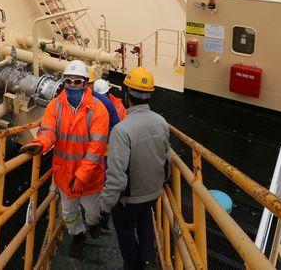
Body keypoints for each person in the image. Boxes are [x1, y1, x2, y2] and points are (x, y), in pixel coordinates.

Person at [21, 59, 110, 258]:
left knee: (92, 210)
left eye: (77, 81)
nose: (71, 86)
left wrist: (82, 176)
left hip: (89, 177)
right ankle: (78, 234)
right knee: (69, 213)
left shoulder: (98, 110)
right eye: (68, 81)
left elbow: (96, 148)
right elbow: (49, 130)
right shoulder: (55, 106)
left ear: (86, 84)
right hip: (63, 174)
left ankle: (94, 223)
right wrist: (40, 143)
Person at [99, 66, 170, 270]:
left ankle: (133, 265)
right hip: (153, 191)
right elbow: (167, 159)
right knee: (145, 218)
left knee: (125, 229)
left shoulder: (122, 130)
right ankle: (148, 259)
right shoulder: (161, 122)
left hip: (129, 198)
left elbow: (116, 177)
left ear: (127, 94)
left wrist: (105, 207)